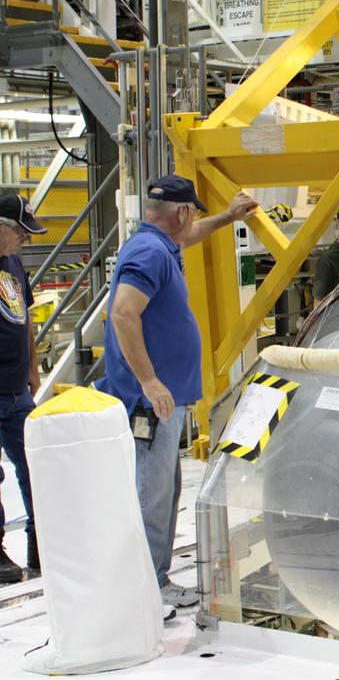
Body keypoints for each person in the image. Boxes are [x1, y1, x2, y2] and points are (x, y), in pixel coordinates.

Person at [99, 176, 257, 609]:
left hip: (161, 400)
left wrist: (227, 217)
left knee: (163, 491)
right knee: (152, 495)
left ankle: (155, 579)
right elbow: (123, 314)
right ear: (183, 211)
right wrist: (149, 380)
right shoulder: (151, 252)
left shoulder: (158, 243)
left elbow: (189, 235)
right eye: (193, 213)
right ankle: (148, 588)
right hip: (150, 402)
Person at [0, 194, 46, 583]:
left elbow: (24, 316)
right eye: (20, 232)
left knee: (34, 466)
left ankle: (41, 542)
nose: (24, 240)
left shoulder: (13, 263)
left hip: (17, 390)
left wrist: (32, 367)